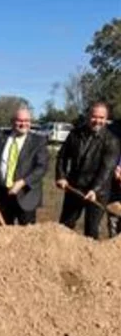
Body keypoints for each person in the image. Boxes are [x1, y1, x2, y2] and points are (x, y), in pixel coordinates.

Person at [56, 101, 120, 239]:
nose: (97, 121)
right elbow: (62, 157)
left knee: (91, 231)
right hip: (74, 189)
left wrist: (94, 190)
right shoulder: (74, 134)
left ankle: (88, 259)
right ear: (88, 116)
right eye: (94, 116)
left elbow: (107, 170)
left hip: (98, 193)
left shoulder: (112, 141)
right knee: (65, 226)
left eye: (101, 118)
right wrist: (61, 176)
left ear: (106, 118)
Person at [0, 105, 49, 225]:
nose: (23, 124)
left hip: (26, 196)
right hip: (1, 196)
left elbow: (41, 167)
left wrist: (22, 182)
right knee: (3, 235)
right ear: (12, 122)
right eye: (19, 120)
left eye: (27, 121)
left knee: (26, 238)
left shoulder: (38, 141)